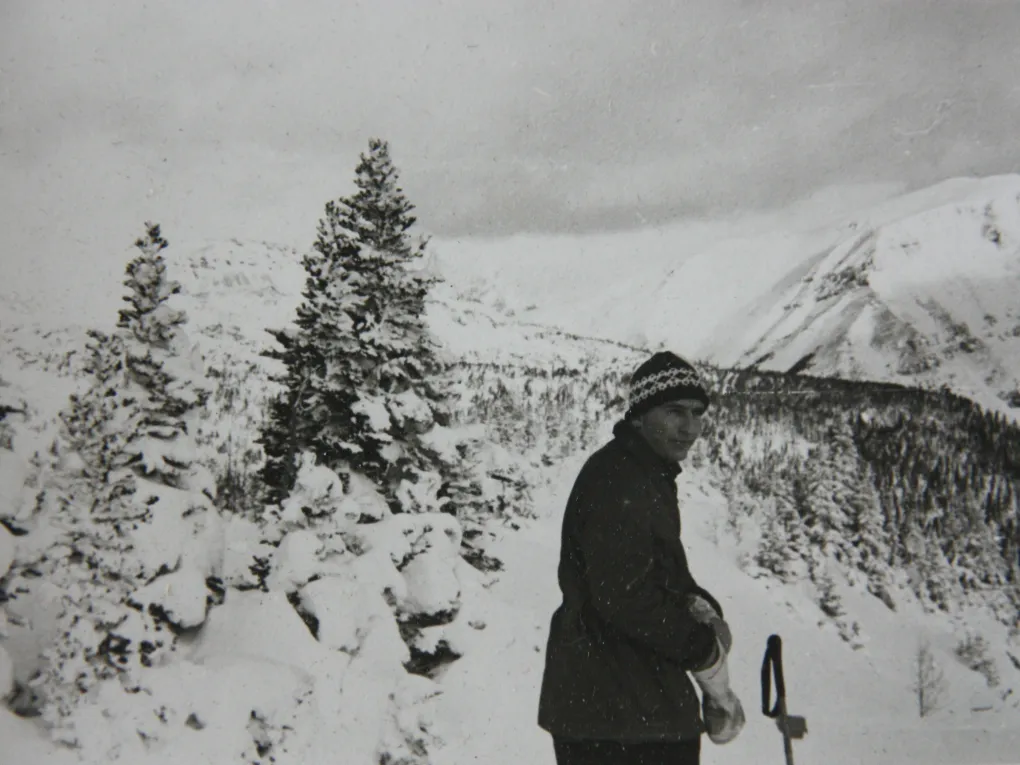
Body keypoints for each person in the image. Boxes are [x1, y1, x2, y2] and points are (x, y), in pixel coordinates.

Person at [537, 351, 745, 765]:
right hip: (620, 718)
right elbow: (624, 597)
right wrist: (701, 649)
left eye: (698, 413)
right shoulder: (620, 481)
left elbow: (661, 573)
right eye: (674, 412)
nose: (691, 428)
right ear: (639, 416)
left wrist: (701, 606)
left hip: (629, 709)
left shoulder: (645, 474)